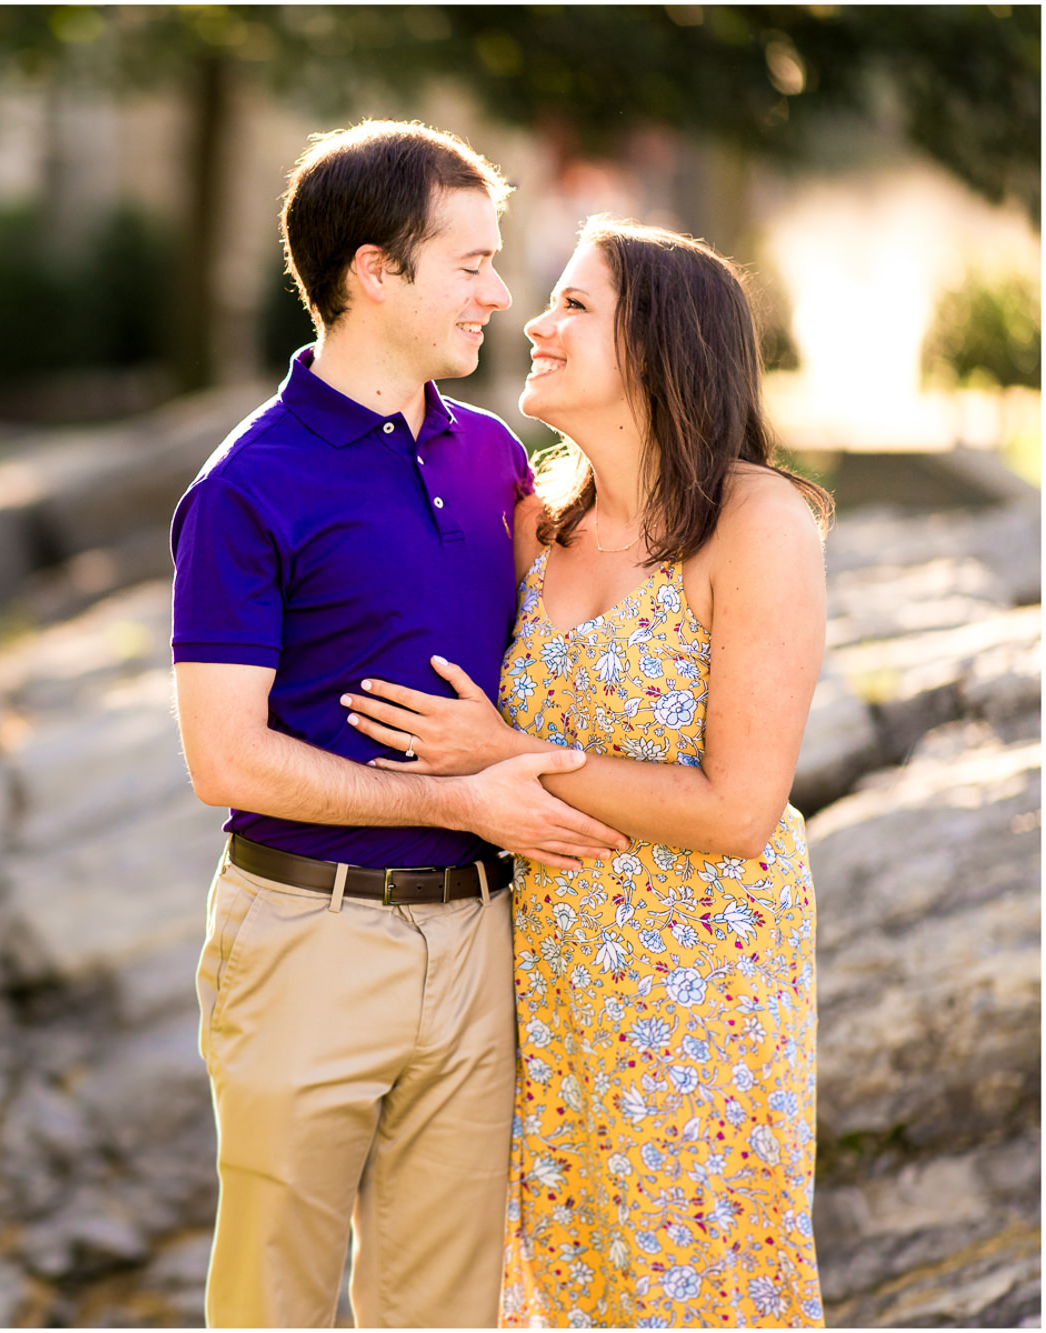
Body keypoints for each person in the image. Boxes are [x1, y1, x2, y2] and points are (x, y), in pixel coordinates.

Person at [167, 120, 631, 1327]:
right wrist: (448, 796)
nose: (497, 291)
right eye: (469, 262)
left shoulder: (494, 459)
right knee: (273, 1292)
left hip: (482, 942)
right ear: (375, 272)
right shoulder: (243, 488)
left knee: (443, 1302)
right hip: (303, 937)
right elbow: (223, 755)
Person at [334, 219, 830, 1326]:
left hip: (700, 980)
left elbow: (740, 810)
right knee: (559, 1278)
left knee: (691, 1277)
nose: (535, 321)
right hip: (545, 973)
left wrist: (505, 755)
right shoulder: (536, 520)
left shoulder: (758, 523)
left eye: (573, 305)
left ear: (656, 345)